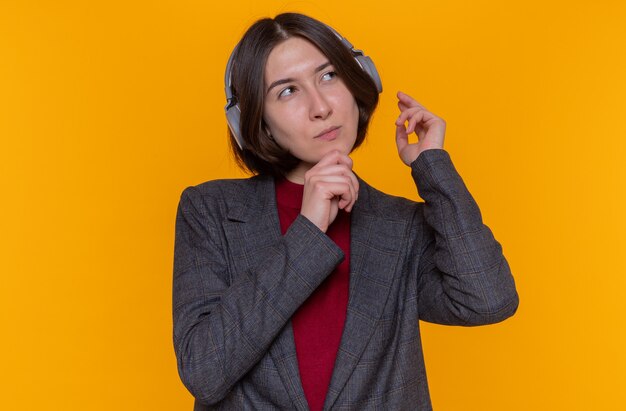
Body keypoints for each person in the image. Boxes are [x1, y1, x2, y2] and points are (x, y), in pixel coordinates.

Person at [173, 12, 519, 410]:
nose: (320, 107)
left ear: (358, 85)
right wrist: (309, 230)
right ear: (258, 123)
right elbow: (203, 370)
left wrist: (433, 166)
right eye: (287, 91)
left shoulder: (399, 225)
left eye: (329, 76)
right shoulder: (210, 210)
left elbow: (488, 300)